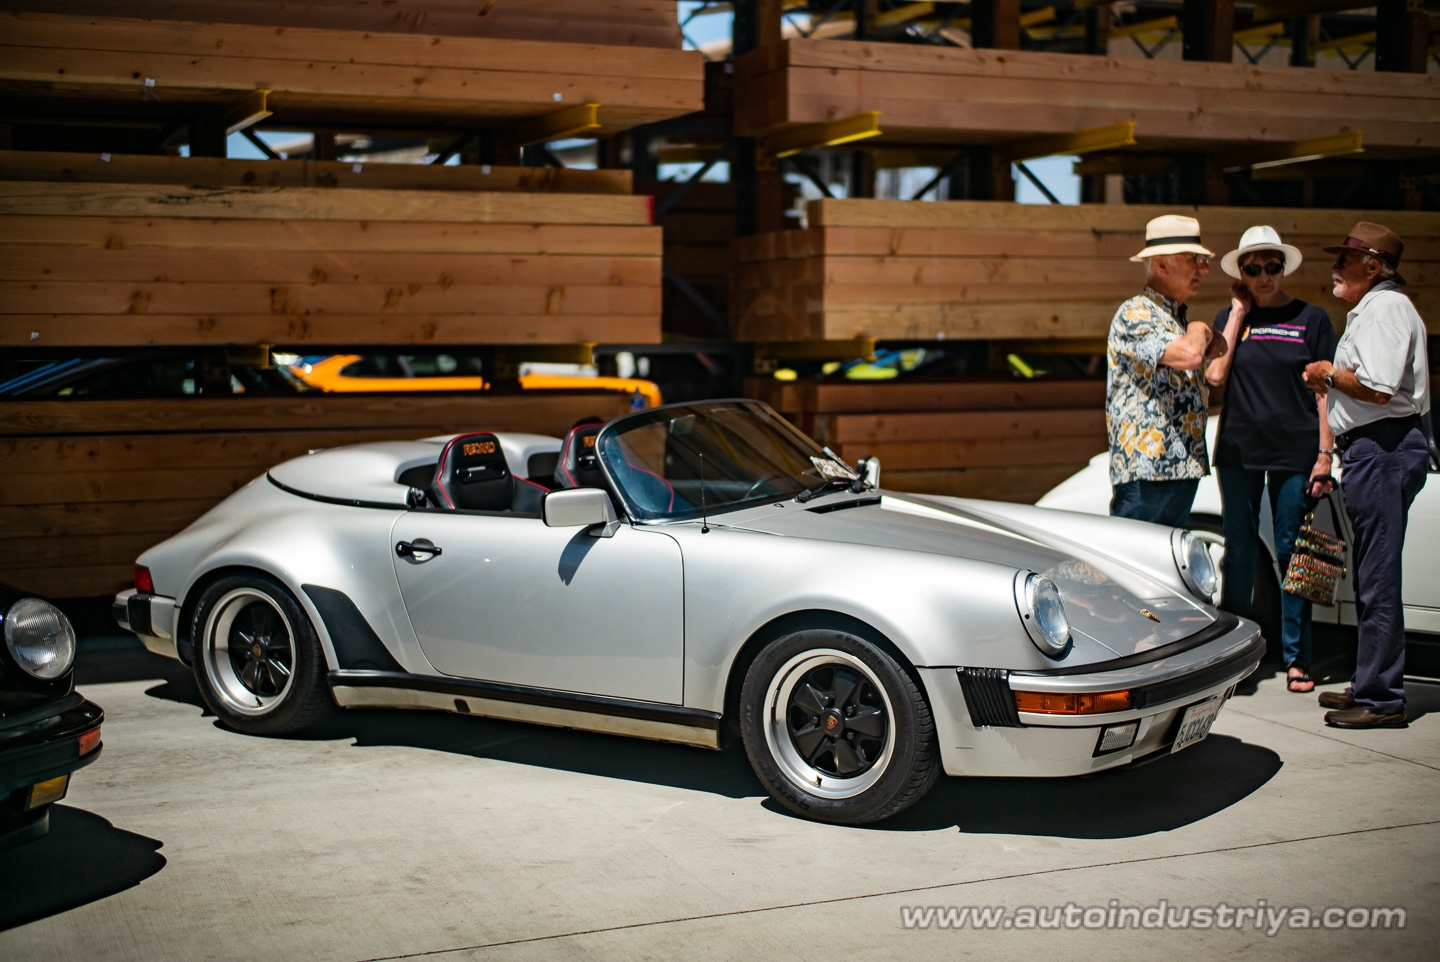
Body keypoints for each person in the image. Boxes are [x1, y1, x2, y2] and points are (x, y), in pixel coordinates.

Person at [1302, 222, 1430, 729]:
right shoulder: (1375, 309)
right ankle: (1370, 681)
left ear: (1372, 267)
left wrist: (1325, 373)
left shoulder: (1386, 309)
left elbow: (1377, 389)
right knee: (1371, 575)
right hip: (1376, 450)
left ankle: (1381, 699)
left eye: (1346, 260)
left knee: (1377, 577)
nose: (1337, 267)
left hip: (1383, 449)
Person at [1205, 226, 1338, 694]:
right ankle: (1235, 658)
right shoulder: (1230, 316)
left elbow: (1326, 394)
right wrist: (1239, 313)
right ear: (1241, 274)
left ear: (1284, 269)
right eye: (1253, 268)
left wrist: (1325, 453)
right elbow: (1215, 376)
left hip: (1295, 450)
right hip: (1238, 449)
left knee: (1291, 551)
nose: (1263, 276)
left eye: (1272, 267)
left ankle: (1297, 656)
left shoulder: (1312, 318)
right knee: (1239, 553)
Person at [1107, 215, 1228, 525]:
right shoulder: (1136, 312)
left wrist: (1203, 335)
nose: (1205, 268)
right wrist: (1202, 329)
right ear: (1161, 265)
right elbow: (1189, 355)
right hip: (1150, 472)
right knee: (1132, 564)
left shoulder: (1172, 318)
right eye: (1196, 259)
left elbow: (1217, 349)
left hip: (1173, 469)